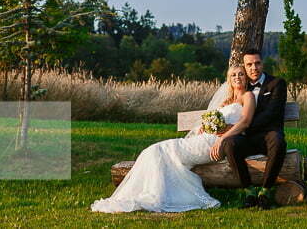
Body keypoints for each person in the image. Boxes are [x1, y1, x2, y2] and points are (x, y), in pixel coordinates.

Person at [90, 65, 256, 213]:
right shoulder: (226, 101)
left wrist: (222, 138)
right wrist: (205, 126)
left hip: (214, 144)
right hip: (204, 138)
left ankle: (156, 196)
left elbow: (245, 122)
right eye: (233, 75)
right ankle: (154, 194)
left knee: (158, 151)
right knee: (155, 151)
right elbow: (211, 121)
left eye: (241, 74)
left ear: (246, 77)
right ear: (229, 79)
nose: (237, 77)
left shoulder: (247, 96)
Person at [219, 49, 288, 210]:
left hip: (267, 135)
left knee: (278, 141)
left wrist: (242, 127)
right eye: (249, 65)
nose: (253, 68)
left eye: (257, 63)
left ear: (262, 63)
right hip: (246, 139)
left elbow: (271, 114)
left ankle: (265, 192)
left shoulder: (277, 84)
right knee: (230, 143)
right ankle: (248, 191)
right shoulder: (240, 85)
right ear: (244, 66)